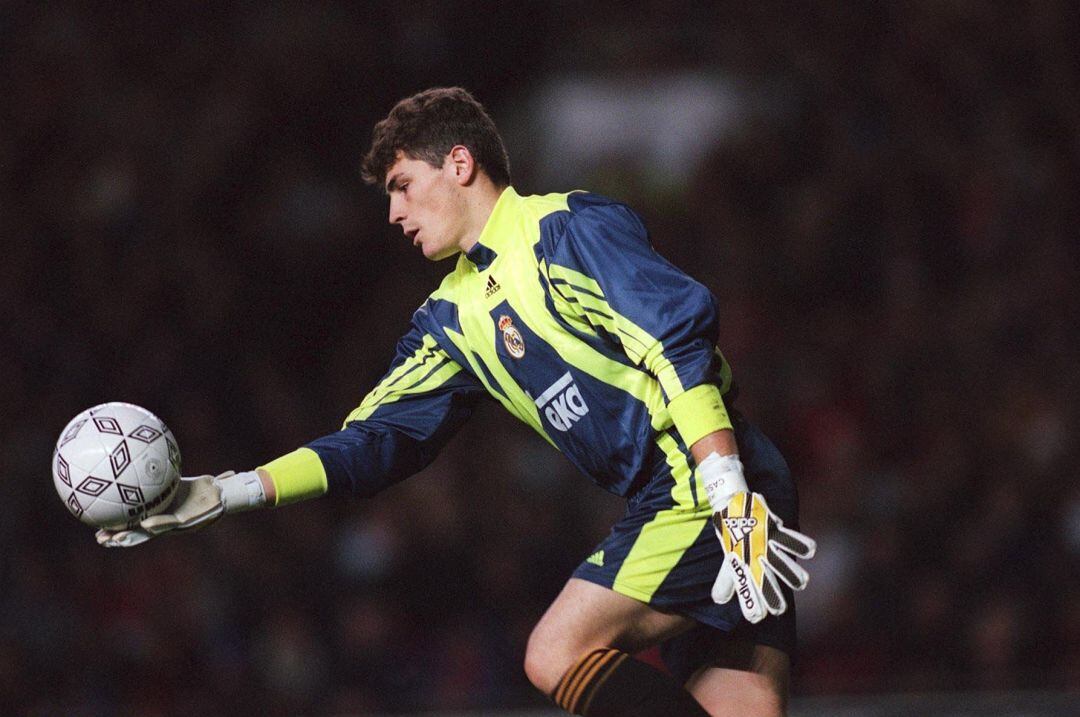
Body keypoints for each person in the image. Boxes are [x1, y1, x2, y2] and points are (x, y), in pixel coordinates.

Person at [98, 87, 816, 717]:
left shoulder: (566, 229)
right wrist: (228, 492)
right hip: (685, 496)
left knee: (555, 651)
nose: (392, 213)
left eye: (403, 185)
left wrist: (726, 490)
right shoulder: (450, 320)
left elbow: (673, 338)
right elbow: (375, 440)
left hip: (711, 481)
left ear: (461, 164)